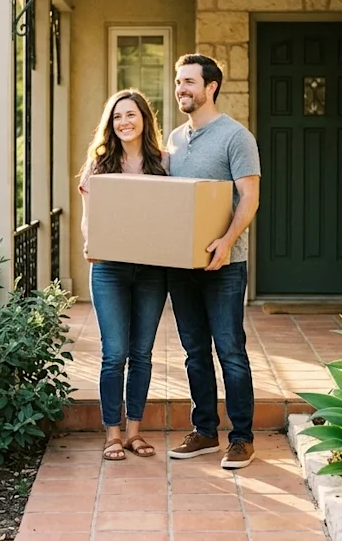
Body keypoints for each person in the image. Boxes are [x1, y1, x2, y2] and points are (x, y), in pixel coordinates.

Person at [163, 53, 261, 470]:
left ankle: (241, 438)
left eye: (189, 82)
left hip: (225, 264)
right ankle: (204, 430)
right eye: (178, 82)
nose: (181, 89)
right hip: (181, 265)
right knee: (193, 350)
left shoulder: (236, 137)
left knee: (230, 350)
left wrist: (225, 242)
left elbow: (250, 197)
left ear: (211, 87)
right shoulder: (173, 139)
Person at [78, 89, 170, 461]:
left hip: (151, 270)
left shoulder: (164, 163)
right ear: (109, 124)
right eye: (117, 117)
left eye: (131, 115)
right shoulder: (98, 164)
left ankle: (135, 432)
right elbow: (88, 217)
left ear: (145, 120)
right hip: (110, 269)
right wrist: (91, 242)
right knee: (114, 353)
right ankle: (112, 434)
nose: (124, 122)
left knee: (142, 353)